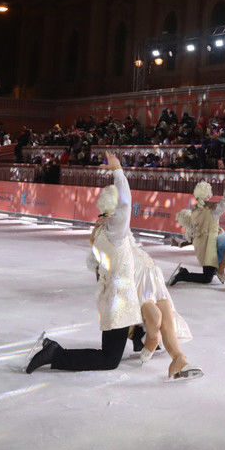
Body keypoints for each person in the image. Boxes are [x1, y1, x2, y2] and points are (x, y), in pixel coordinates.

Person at [26, 152, 201, 380]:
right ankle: (55, 352)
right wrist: (118, 170)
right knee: (111, 358)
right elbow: (126, 203)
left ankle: (175, 357)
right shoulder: (113, 232)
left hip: (133, 286)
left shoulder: (106, 232)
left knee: (157, 324)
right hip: (122, 297)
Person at [169, 172, 225, 287]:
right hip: (211, 247)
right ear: (208, 195)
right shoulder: (213, 209)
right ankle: (184, 274)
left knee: (219, 262)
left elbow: (193, 233)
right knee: (207, 277)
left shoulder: (194, 211)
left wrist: (181, 243)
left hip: (203, 249)